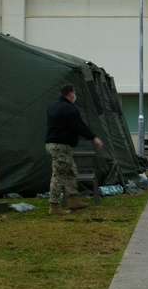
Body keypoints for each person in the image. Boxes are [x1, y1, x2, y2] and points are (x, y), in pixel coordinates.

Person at [45, 83, 104, 214]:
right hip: (61, 146)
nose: (75, 96)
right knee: (58, 174)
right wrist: (93, 137)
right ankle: (54, 206)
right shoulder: (69, 109)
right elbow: (79, 126)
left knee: (71, 171)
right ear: (71, 94)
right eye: (74, 93)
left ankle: (74, 199)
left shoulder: (52, 107)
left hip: (52, 145)